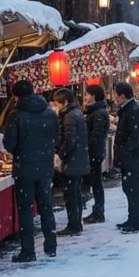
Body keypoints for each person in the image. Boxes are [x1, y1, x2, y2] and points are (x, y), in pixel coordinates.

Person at [3, 79, 60, 262]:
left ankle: (28, 251)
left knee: (26, 210)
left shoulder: (16, 116)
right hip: (45, 168)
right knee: (46, 207)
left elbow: (9, 144)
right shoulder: (50, 113)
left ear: (16, 96)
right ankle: (51, 246)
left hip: (24, 169)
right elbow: (56, 138)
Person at [52, 88, 90, 236]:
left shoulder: (69, 116)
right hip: (77, 159)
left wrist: (60, 156)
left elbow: (69, 140)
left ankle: (73, 224)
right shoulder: (76, 113)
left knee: (71, 194)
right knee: (75, 193)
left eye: (58, 103)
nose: (57, 106)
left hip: (72, 161)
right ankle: (76, 223)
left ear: (65, 102)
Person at [113, 82, 139, 233]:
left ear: (122, 96)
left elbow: (136, 137)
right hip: (130, 157)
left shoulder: (132, 110)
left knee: (133, 189)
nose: (114, 98)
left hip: (133, 158)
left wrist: (125, 152)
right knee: (129, 188)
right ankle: (132, 217)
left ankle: (137, 221)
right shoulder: (127, 109)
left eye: (116, 95)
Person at [82, 84, 110, 224]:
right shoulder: (95, 111)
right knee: (95, 182)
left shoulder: (98, 113)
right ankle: (98, 211)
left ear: (93, 96)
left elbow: (96, 135)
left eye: (87, 94)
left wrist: (86, 147)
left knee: (96, 183)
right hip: (95, 151)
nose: (85, 97)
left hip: (95, 152)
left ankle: (99, 212)